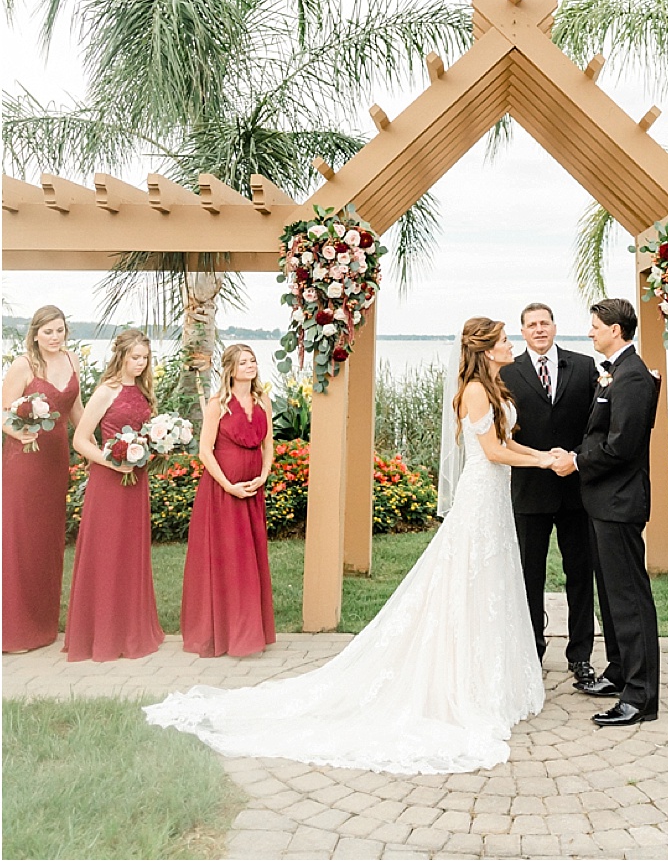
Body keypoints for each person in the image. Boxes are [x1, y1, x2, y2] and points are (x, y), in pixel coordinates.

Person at [145, 317, 559, 773]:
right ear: (487, 349)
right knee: (468, 580)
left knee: (491, 584)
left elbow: (503, 443)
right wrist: (546, 460)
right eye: (504, 340)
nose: (510, 344)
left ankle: (490, 679)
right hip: (481, 494)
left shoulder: (496, 388)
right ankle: (460, 680)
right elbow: (495, 452)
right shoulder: (477, 392)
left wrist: (543, 457)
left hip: (495, 496)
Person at [553, 297, 661, 727]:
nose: (591, 332)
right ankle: (619, 673)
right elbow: (600, 432)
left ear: (615, 330)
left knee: (629, 601)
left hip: (619, 502)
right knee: (612, 599)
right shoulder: (616, 372)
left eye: (595, 326)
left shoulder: (632, 377)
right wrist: (577, 452)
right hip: (601, 501)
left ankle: (640, 697)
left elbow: (622, 445)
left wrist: (577, 461)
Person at [501, 302, 599, 682]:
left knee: (579, 573)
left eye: (544, 323)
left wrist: (574, 457)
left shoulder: (584, 366)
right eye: (531, 325)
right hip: (529, 491)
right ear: (522, 332)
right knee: (530, 575)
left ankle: (581, 656)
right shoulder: (508, 373)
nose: (539, 330)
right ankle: (531, 652)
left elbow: (594, 423)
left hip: (575, 488)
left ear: (555, 327)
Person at [63, 329, 164, 662]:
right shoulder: (106, 391)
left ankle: (131, 629)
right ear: (120, 355)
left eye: (145, 358)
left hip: (137, 482)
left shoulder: (145, 391)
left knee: (131, 552)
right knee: (106, 553)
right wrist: (112, 461)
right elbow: (80, 440)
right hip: (108, 483)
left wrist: (158, 448)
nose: (140, 363)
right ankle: (103, 634)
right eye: (135, 357)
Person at [181, 344, 275, 657]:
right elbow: (205, 451)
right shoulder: (217, 404)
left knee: (252, 557)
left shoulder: (263, 400)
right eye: (243, 362)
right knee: (231, 560)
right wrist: (228, 485)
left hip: (253, 489)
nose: (250, 366)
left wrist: (264, 474)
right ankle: (227, 631)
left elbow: (268, 445)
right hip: (223, 493)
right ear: (231, 370)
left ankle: (250, 630)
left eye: (253, 361)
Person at [2, 305, 82, 652]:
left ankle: (43, 625)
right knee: (21, 538)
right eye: (48, 331)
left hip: (55, 457)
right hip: (25, 459)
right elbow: (3, 412)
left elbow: (77, 412)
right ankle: (15, 630)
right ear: (35, 333)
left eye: (60, 330)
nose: (54, 337)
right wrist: (19, 434)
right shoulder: (24, 365)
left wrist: (100, 447)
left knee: (49, 540)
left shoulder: (72, 360)